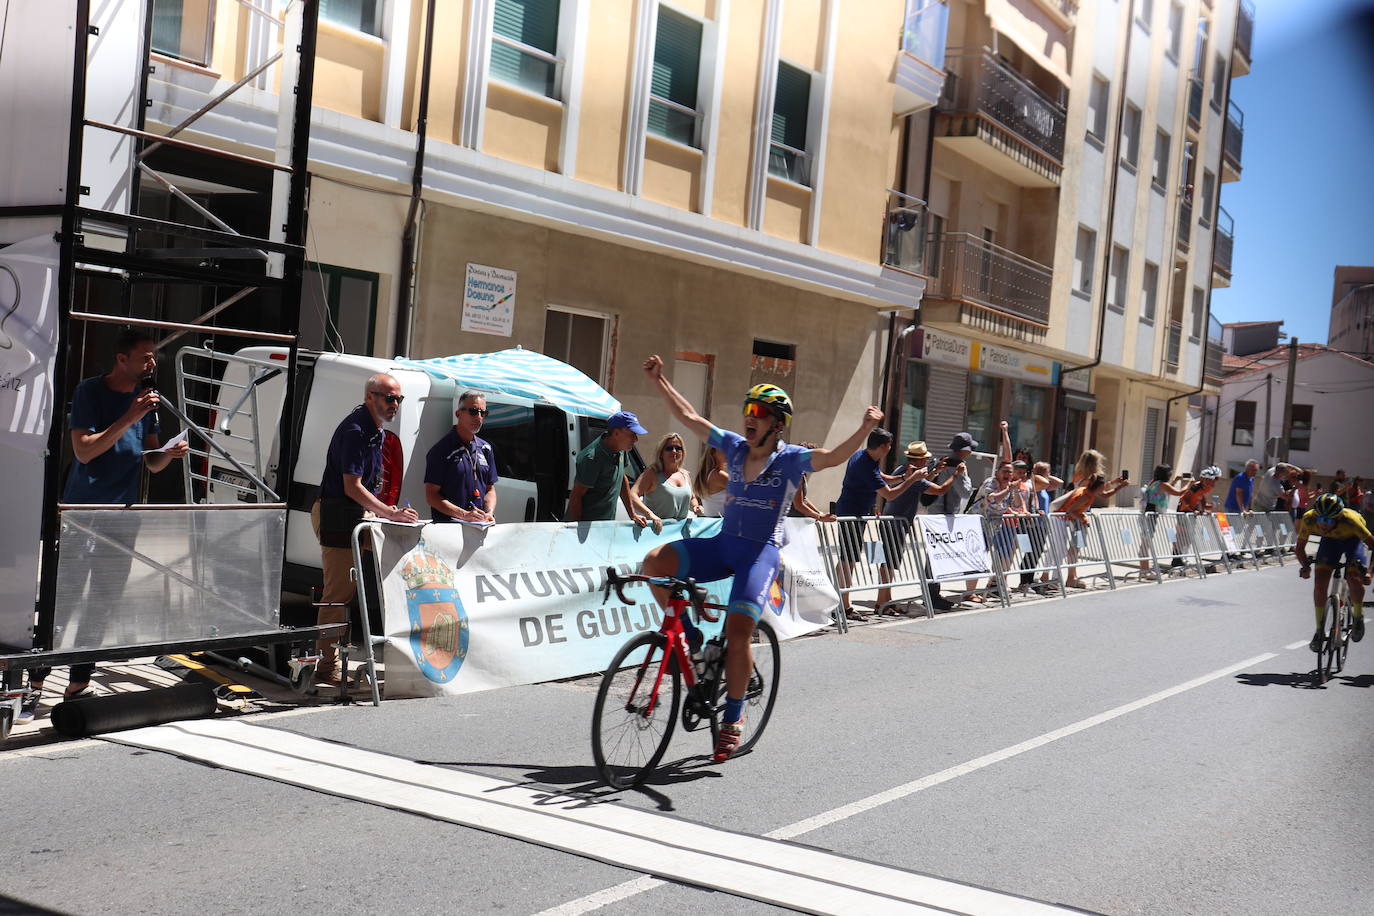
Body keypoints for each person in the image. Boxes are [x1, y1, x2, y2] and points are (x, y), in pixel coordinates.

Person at [638, 355, 882, 762]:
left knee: (737, 635)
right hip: (722, 544)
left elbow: (834, 457)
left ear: (777, 423)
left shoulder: (789, 461)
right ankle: (690, 638)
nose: (750, 418)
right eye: (749, 410)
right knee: (654, 562)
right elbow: (689, 416)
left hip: (759, 555)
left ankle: (732, 719)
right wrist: (660, 380)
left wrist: (866, 426)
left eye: (761, 413)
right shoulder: (733, 447)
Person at [19, 328, 191, 723]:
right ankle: (34, 684)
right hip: (83, 513)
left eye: (154, 357)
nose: (152, 364)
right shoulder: (91, 392)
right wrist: (130, 415)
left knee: (103, 602)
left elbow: (150, 461)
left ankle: (79, 682)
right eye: (146, 356)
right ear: (121, 359)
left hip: (123, 515)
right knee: (65, 600)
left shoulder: (149, 402)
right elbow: (84, 450)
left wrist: (169, 453)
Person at [313, 374, 419, 684]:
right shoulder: (357, 430)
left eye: (399, 399)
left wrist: (392, 514)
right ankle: (326, 667)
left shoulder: (376, 431)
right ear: (369, 396)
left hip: (356, 515)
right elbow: (352, 486)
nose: (395, 404)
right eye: (389, 398)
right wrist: (389, 513)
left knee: (401, 566)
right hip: (337, 515)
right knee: (337, 595)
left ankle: (404, 651)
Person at [833, 428, 924, 621]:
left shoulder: (864, 456)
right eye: (890, 445)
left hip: (855, 513)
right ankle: (843, 605)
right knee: (848, 559)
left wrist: (902, 477)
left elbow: (881, 476)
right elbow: (889, 494)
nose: (890, 449)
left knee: (847, 558)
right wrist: (912, 480)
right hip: (852, 513)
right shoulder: (864, 464)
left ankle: (839, 602)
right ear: (883, 446)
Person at [874, 441, 956, 612]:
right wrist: (955, 475)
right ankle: (882, 603)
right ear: (918, 461)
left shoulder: (903, 470)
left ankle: (885, 601)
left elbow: (921, 484)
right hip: (896, 524)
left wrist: (935, 472)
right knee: (889, 564)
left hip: (892, 521)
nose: (926, 462)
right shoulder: (914, 476)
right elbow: (939, 490)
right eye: (925, 460)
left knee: (890, 563)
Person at [1296, 493, 1374, 651]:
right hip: (1330, 543)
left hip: (1352, 541)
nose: (1323, 524)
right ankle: (1319, 630)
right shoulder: (1309, 518)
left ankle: (1357, 615)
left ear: (1338, 518)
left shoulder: (1351, 521)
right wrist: (1305, 566)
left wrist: (1370, 573)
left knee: (1353, 578)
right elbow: (1299, 548)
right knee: (1319, 583)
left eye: (1329, 520)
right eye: (1321, 519)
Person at [567, 411, 655, 529]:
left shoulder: (621, 449)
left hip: (605, 527)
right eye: (632, 434)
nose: (635, 439)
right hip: (588, 528)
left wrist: (632, 514)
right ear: (616, 433)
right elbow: (576, 496)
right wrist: (576, 530)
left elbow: (622, 479)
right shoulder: (592, 457)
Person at [424, 391, 498, 525]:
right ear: (458, 414)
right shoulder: (441, 450)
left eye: (483, 413)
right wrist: (464, 515)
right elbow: (431, 496)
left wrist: (489, 513)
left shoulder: (486, 448)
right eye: (474, 411)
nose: (479, 417)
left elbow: (490, 489)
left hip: (478, 529)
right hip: (449, 531)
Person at [1138, 465, 1191, 577]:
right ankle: (1144, 571)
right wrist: (1189, 484)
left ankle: (1145, 569)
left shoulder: (1154, 482)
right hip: (1151, 514)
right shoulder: (1163, 484)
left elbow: (1166, 490)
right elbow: (1179, 493)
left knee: (1145, 542)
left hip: (1148, 512)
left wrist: (1176, 480)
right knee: (1145, 544)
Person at [634, 432, 698, 522]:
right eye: (669, 448)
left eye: (678, 448)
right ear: (661, 453)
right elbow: (632, 495)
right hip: (658, 532)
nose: (674, 451)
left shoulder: (685, 475)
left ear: (683, 452)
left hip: (681, 533)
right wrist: (650, 514)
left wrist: (696, 506)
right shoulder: (652, 473)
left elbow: (692, 497)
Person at [1060, 475, 1106, 589]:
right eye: (1102, 487)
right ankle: (1071, 578)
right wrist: (1082, 519)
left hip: (1077, 523)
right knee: (1074, 549)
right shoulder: (1085, 496)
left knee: (1075, 549)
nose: (1103, 490)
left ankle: (1073, 576)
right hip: (1077, 525)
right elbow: (1070, 510)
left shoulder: (1084, 491)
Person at [789, 441, 837, 523]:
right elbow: (798, 505)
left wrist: (819, 513)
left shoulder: (802, 473)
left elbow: (803, 499)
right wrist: (819, 517)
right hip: (790, 521)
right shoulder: (795, 474)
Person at [693, 446, 729, 517]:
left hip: (713, 523)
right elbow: (743, 489)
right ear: (713, 452)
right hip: (720, 523)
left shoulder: (708, 474)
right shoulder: (718, 475)